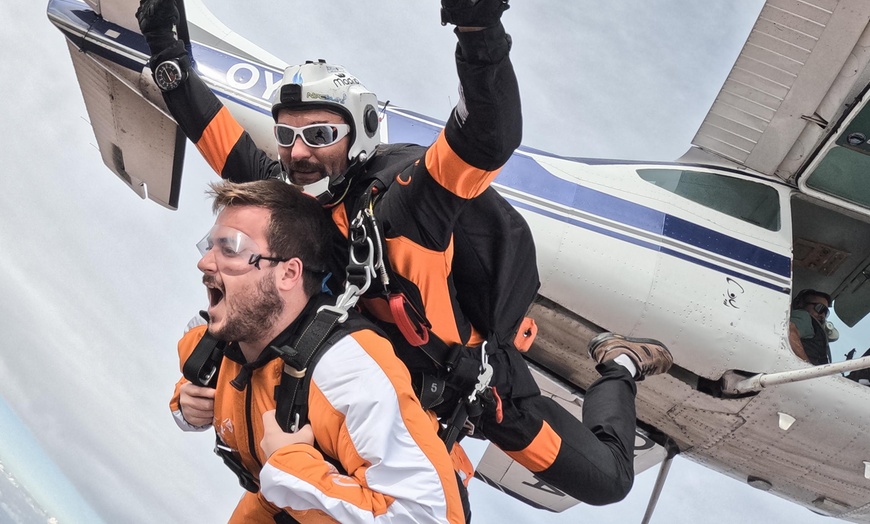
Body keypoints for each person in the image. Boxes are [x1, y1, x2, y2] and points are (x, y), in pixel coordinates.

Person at [138, 0, 674, 507]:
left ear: (360, 134)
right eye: (286, 134)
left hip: (481, 389)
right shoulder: (288, 202)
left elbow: (485, 138)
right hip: (384, 396)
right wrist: (164, 46)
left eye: (319, 134)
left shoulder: (405, 203)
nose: (298, 153)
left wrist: (478, 29)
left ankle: (620, 363)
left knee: (607, 480)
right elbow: (217, 137)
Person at [171, 178, 466, 523]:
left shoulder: (347, 372)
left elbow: (430, 516)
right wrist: (185, 407)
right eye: (209, 245)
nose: (205, 263)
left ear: (288, 273)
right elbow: (198, 376)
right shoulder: (214, 339)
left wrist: (290, 465)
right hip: (278, 498)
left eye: (231, 248)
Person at [788, 289, 833, 365]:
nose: (823, 315)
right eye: (820, 308)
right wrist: (806, 366)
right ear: (802, 305)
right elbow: (789, 330)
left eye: (826, 312)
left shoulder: (816, 329)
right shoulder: (804, 316)